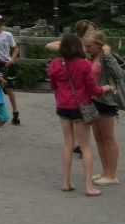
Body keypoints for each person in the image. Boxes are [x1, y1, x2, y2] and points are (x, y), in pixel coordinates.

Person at [47, 33, 115, 196]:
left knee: (68, 144)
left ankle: (66, 182)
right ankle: (89, 187)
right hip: (79, 106)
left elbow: (53, 86)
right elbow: (94, 90)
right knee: (85, 146)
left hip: (62, 105)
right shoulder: (84, 64)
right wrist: (106, 88)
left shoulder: (56, 63)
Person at [87, 31, 123, 185]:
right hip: (93, 99)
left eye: (89, 46)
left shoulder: (108, 57)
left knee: (108, 137)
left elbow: (118, 74)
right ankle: (104, 171)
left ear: (99, 45)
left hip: (106, 100)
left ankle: (112, 175)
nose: (86, 48)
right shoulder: (91, 57)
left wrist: (107, 55)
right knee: (99, 138)